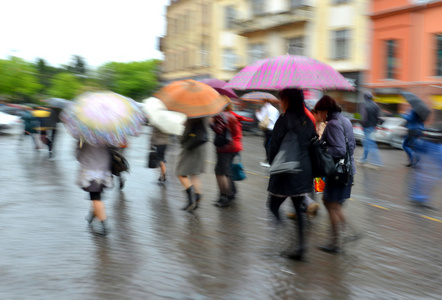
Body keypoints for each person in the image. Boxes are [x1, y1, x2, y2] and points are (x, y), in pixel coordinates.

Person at [267, 88, 316, 260]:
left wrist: (272, 162)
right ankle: (301, 248)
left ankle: (288, 238)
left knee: (273, 205)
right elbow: (313, 145)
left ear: (287, 100)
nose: (280, 102)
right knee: (298, 209)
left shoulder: (284, 120)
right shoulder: (308, 121)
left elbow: (274, 146)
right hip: (304, 170)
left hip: (285, 170)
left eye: (282, 99)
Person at [314, 95, 356, 253]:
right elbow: (350, 146)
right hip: (347, 169)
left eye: (318, 112)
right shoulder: (345, 120)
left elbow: (339, 149)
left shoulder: (332, 124)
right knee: (334, 203)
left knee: (329, 202)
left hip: (337, 171)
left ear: (325, 111)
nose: (317, 115)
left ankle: (336, 242)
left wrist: (323, 149)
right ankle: (346, 235)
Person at [210, 103, 243, 207]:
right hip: (231, 147)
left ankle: (225, 197)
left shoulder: (221, 115)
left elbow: (219, 130)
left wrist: (210, 123)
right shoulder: (231, 115)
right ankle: (226, 196)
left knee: (222, 172)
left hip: (225, 149)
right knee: (223, 172)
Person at [77, 140, 114, 235]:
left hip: (91, 171)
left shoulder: (85, 137)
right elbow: (113, 149)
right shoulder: (107, 135)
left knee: (95, 197)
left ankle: (104, 224)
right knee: (97, 195)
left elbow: (78, 154)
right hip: (104, 169)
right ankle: (92, 215)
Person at [176, 117, 209, 211]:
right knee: (194, 173)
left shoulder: (192, 115)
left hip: (190, 147)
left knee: (180, 172)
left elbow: (185, 134)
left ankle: (191, 199)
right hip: (201, 146)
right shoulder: (205, 114)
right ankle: (198, 195)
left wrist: (180, 137)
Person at [358, 91, 383, 168]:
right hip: (372, 127)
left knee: (370, 143)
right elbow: (379, 118)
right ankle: (363, 159)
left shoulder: (364, 105)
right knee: (366, 142)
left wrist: (361, 123)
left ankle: (377, 163)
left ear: (365, 97)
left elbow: (363, 118)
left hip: (366, 127)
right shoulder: (376, 106)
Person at [256, 99, 280, 167]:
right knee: (270, 144)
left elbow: (261, 119)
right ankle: (270, 160)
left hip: (268, 129)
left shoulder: (265, 108)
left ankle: (269, 161)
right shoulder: (275, 109)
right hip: (274, 129)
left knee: (267, 145)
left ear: (264, 101)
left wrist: (257, 113)